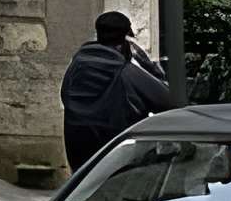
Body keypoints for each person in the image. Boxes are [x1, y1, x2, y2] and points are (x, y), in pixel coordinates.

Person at [60, 10, 172, 170]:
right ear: (124, 41)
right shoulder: (126, 72)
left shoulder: (75, 67)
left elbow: (64, 98)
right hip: (116, 163)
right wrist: (151, 67)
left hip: (80, 164)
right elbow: (168, 102)